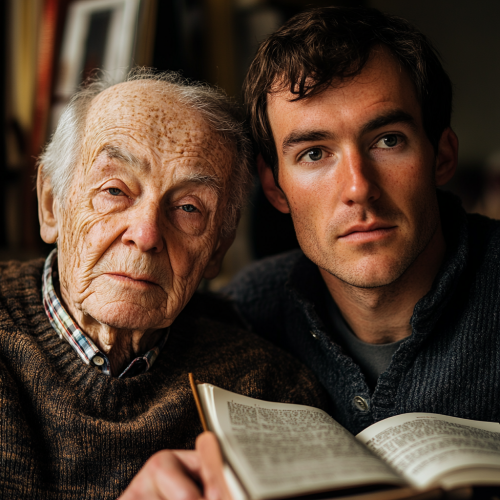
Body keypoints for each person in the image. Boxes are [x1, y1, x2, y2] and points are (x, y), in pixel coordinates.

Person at [128, 6, 500, 499]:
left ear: (442, 156)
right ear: (275, 187)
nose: (358, 189)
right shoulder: (240, 318)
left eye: (388, 140)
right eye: (314, 153)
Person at [0, 71, 329, 499]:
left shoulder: (266, 388)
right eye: (115, 190)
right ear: (51, 205)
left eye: (189, 207)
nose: (147, 233)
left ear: (216, 249)